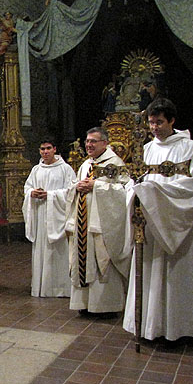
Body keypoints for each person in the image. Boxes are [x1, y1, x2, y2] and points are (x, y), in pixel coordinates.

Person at [123, 98, 193, 342]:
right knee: (150, 271)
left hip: (177, 220)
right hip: (151, 221)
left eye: (159, 122)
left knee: (177, 273)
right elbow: (135, 179)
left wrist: (155, 193)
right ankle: (150, 326)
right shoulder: (147, 148)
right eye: (151, 122)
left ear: (172, 121)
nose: (154, 127)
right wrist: (136, 191)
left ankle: (179, 328)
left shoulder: (188, 147)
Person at [65, 127, 130, 316]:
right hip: (82, 224)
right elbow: (73, 187)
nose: (89, 145)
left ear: (105, 143)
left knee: (102, 260)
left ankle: (105, 307)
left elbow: (124, 191)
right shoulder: (86, 164)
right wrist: (77, 187)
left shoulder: (115, 163)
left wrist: (97, 186)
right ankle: (84, 304)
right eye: (87, 141)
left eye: (93, 141)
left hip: (102, 225)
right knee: (82, 260)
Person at [23, 138, 76, 297]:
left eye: (48, 148)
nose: (45, 152)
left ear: (54, 149)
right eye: (42, 149)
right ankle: (41, 287)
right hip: (40, 214)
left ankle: (60, 288)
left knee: (58, 251)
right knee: (41, 249)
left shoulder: (65, 169)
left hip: (57, 215)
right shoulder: (36, 169)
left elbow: (71, 191)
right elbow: (27, 187)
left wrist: (51, 195)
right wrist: (32, 193)